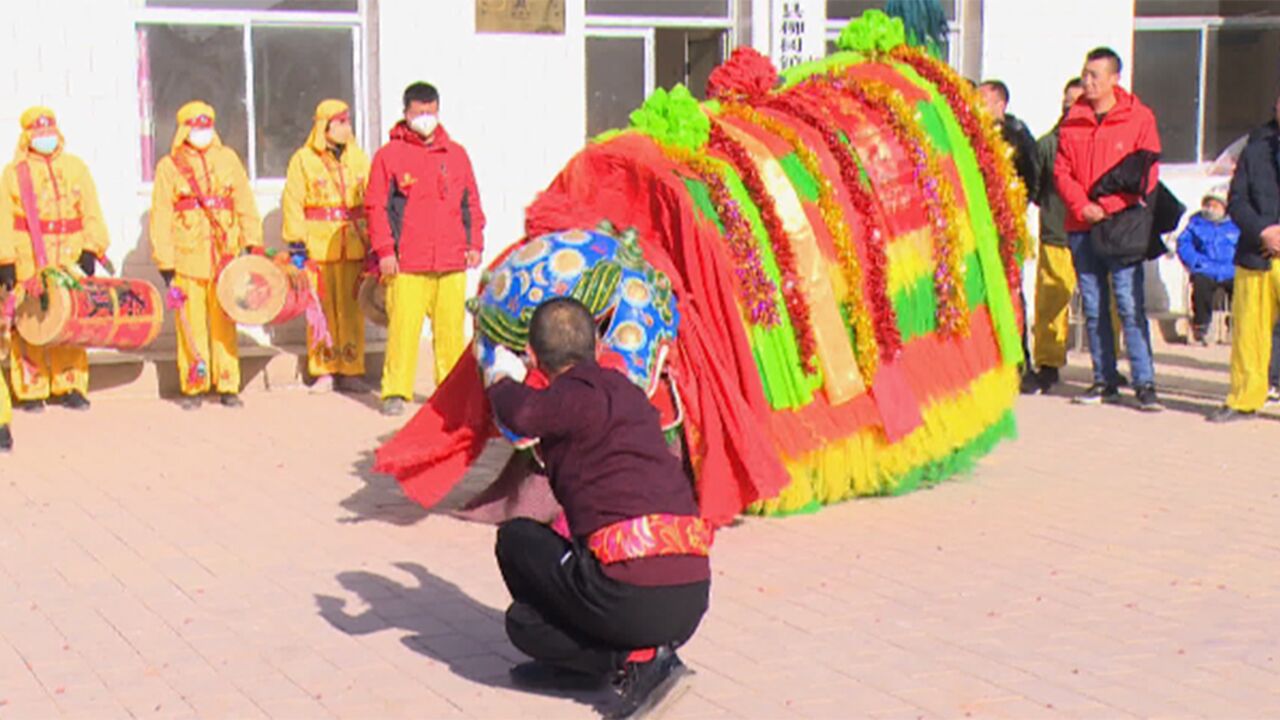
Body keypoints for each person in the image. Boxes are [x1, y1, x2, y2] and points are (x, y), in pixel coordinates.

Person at [487, 298, 709, 720]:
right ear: (596, 344)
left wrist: (500, 375)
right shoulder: (626, 392)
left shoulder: (572, 395)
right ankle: (631, 656)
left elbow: (523, 413)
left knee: (518, 554)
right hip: (692, 594)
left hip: (628, 594)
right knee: (529, 619)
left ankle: (636, 662)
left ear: (534, 356)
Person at [366, 82, 485, 416]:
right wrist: (385, 251)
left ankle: (451, 395)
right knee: (403, 329)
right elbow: (375, 207)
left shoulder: (457, 154)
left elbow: (471, 202)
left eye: (430, 112)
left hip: (451, 259)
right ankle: (395, 392)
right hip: (407, 263)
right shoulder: (389, 156)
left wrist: (475, 243)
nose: (425, 119)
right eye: (419, 113)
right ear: (406, 114)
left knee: (450, 333)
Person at [1055, 47, 1163, 411]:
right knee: (1094, 306)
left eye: (1095, 76)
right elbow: (1061, 171)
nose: (1088, 81)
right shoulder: (1073, 120)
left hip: (1122, 224)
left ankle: (1144, 382)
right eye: (1085, 74)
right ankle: (1104, 380)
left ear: (1115, 79)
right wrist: (1082, 206)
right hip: (1082, 223)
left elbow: (1147, 173)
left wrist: (1109, 206)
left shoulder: (1139, 117)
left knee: (1129, 303)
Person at [150, 101, 262, 410]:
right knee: (190, 323)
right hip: (187, 258)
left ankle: (228, 383)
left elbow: (244, 202)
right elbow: (160, 216)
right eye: (197, 127)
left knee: (225, 321)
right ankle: (194, 385)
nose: (203, 133)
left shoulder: (228, 159)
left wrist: (252, 242)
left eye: (207, 126)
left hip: (225, 254)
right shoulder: (169, 167)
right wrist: (165, 261)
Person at [0, 107, 110, 412]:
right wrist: (5, 260)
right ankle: (31, 389)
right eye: (38, 133)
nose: (44, 138)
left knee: (71, 321)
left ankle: (70, 385)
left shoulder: (76, 168)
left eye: (49, 132)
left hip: (69, 256)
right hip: (29, 258)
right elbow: (3, 220)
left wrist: (91, 248)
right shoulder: (13, 174)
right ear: (26, 137)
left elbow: (91, 210)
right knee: (31, 322)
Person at [281, 99, 370, 393]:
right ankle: (324, 369)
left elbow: (372, 200)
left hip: (354, 244)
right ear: (324, 126)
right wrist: (297, 242)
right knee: (320, 310)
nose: (346, 127)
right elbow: (293, 202)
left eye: (348, 121)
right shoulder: (303, 160)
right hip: (319, 246)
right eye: (340, 122)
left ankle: (352, 368)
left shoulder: (359, 159)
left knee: (352, 309)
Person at [1209, 93, 1280, 423]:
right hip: (1257, 252)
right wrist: (1264, 231)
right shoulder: (1256, 147)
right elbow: (1237, 201)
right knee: (1249, 333)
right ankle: (1244, 398)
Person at [1022, 78, 1086, 394]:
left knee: (1105, 306)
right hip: (1057, 233)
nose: (1069, 106)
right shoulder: (1048, 144)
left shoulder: (1098, 141)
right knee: (1052, 301)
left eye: (1076, 101)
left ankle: (1108, 366)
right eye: (1066, 101)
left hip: (1095, 236)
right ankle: (1048, 364)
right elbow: (1034, 187)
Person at [1176, 186, 1238, 346]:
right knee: (1201, 285)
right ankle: (1202, 327)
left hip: (1231, 269)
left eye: (1215, 205)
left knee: (1243, 288)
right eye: (1207, 205)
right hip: (1205, 267)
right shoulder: (1196, 223)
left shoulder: (1237, 224)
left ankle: (1236, 326)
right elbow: (1184, 244)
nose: (1210, 209)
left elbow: (1246, 245)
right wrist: (1195, 262)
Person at [978, 80, 1039, 192]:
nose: (976, 104)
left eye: (982, 100)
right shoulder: (974, 130)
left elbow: (1030, 175)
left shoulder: (1017, 137)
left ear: (1000, 105)